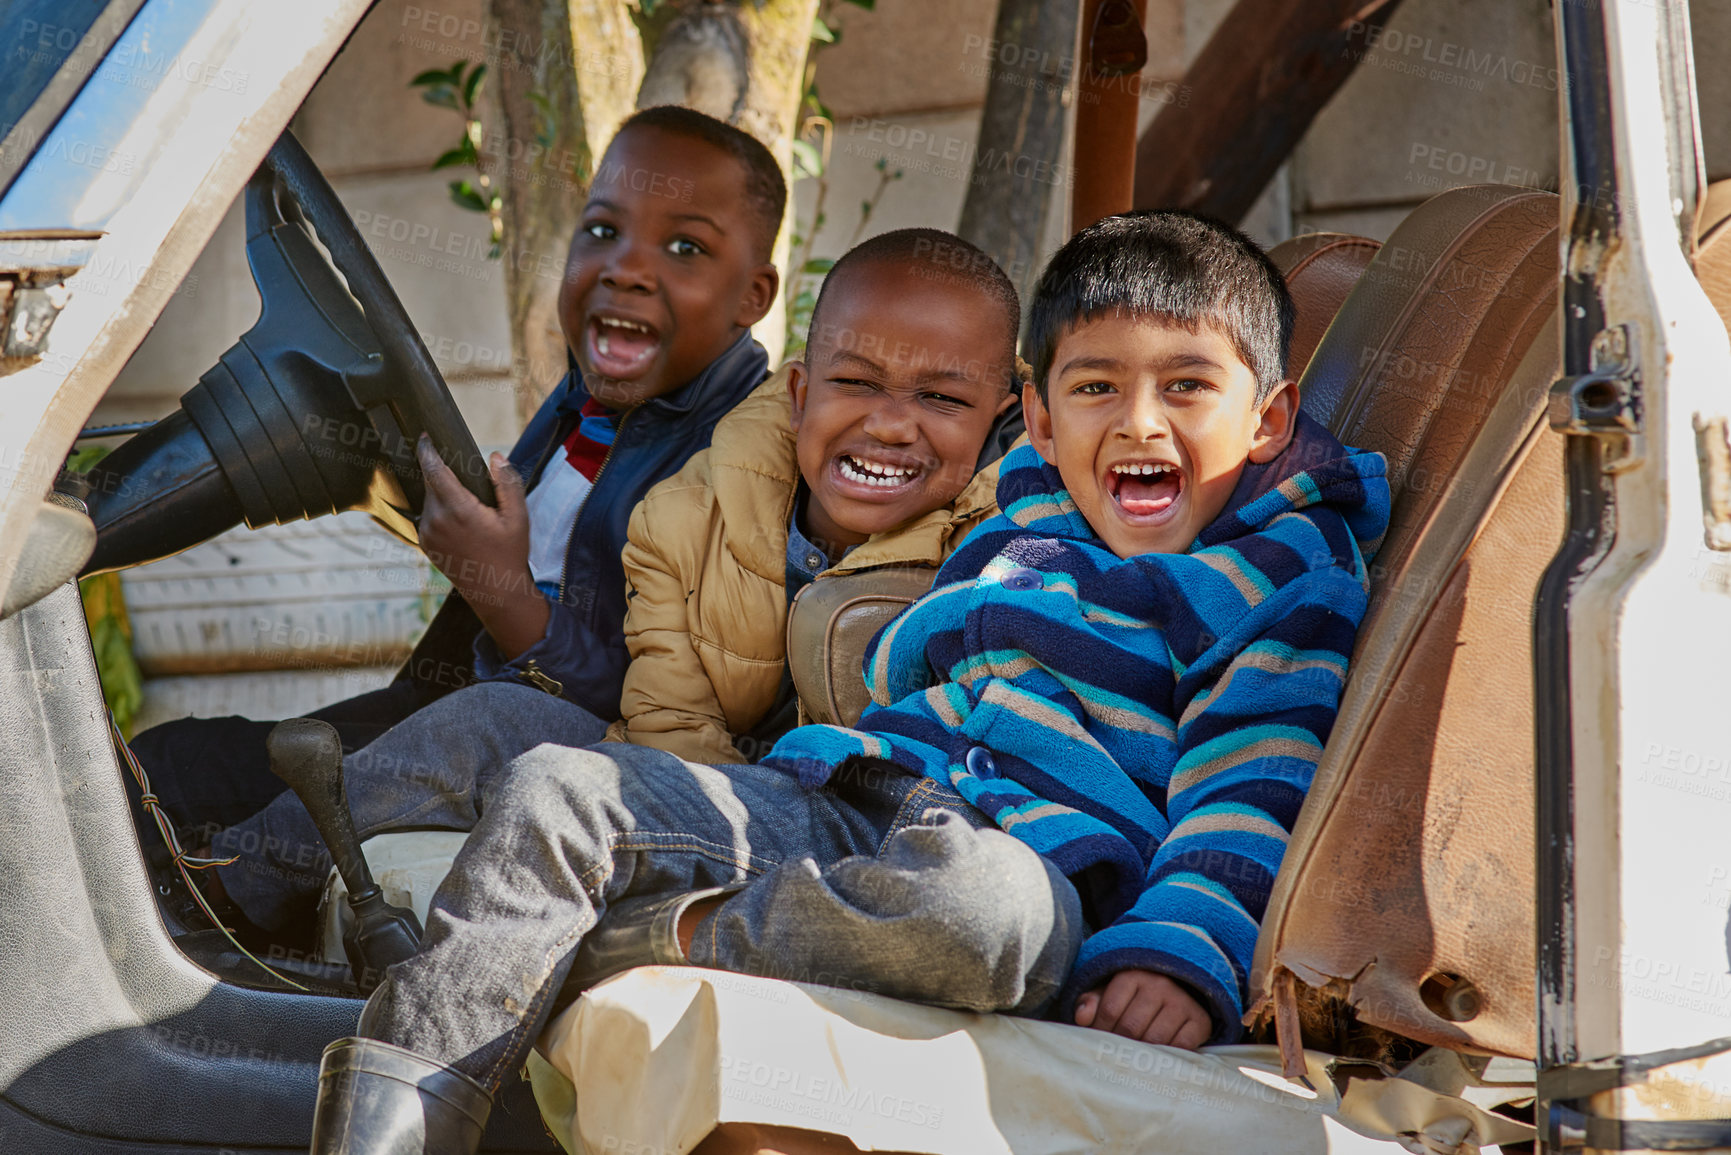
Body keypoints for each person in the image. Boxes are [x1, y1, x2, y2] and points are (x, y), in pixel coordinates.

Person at [305, 210, 1391, 1155]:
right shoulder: (1027, 506)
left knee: (987, 912)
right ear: (1044, 421)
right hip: (848, 794)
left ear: (1271, 420)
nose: (1140, 424)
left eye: (1188, 388)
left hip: (1033, 863)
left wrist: (1174, 955)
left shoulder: (1280, 587)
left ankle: (657, 935)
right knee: (554, 779)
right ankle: (397, 1114)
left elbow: (1246, 790)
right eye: (1097, 388)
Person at [201, 229, 1022, 933]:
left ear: (1001, 412)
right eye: (856, 383)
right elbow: (668, 729)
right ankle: (224, 897)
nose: (888, 423)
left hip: (868, 824)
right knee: (494, 716)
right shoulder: (689, 513)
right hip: (697, 785)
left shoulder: (1000, 552)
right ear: (801, 392)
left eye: (941, 398)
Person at [128, 105, 785, 909]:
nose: (627, 268)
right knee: (170, 763)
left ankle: (213, 909)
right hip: (450, 704)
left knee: (478, 720)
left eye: (684, 247)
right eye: (604, 232)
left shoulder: (740, 457)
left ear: (753, 294)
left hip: (585, 749)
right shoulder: (591, 397)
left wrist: (499, 587)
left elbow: (662, 702)